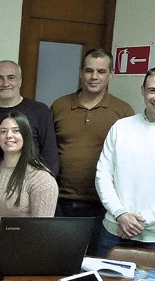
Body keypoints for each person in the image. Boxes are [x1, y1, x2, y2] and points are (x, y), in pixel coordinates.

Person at [95, 65, 155, 258]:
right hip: (114, 230)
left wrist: (142, 221)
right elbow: (103, 176)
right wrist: (120, 214)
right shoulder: (121, 127)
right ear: (143, 90)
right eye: (152, 90)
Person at [51, 49, 134, 256]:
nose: (94, 77)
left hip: (102, 206)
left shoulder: (123, 112)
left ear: (110, 74)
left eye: (101, 71)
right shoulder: (59, 106)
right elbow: (46, 151)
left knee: (94, 263)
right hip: (59, 202)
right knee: (56, 260)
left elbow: (129, 159)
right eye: (89, 70)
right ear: (81, 72)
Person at [0, 111, 58, 252]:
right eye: (3, 131)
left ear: (26, 136)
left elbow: (41, 234)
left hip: (21, 255)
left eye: (16, 131)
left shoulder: (41, 178)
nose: (9, 135)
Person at [0, 60, 59, 176]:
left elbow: (50, 158)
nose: (5, 83)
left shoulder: (40, 111)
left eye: (11, 77)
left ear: (20, 81)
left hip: (29, 188)